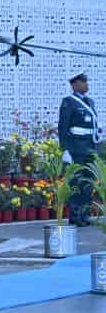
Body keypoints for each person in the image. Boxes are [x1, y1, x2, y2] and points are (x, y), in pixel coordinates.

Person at [59, 71, 100, 227]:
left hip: (90, 147)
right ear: (74, 84)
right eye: (83, 82)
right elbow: (63, 127)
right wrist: (65, 150)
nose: (86, 84)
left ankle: (85, 213)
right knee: (77, 182)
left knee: (89, 182)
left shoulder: (90, 102)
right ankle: (75, 216)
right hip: (76, 148)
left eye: (86, 81)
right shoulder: (69, 102)